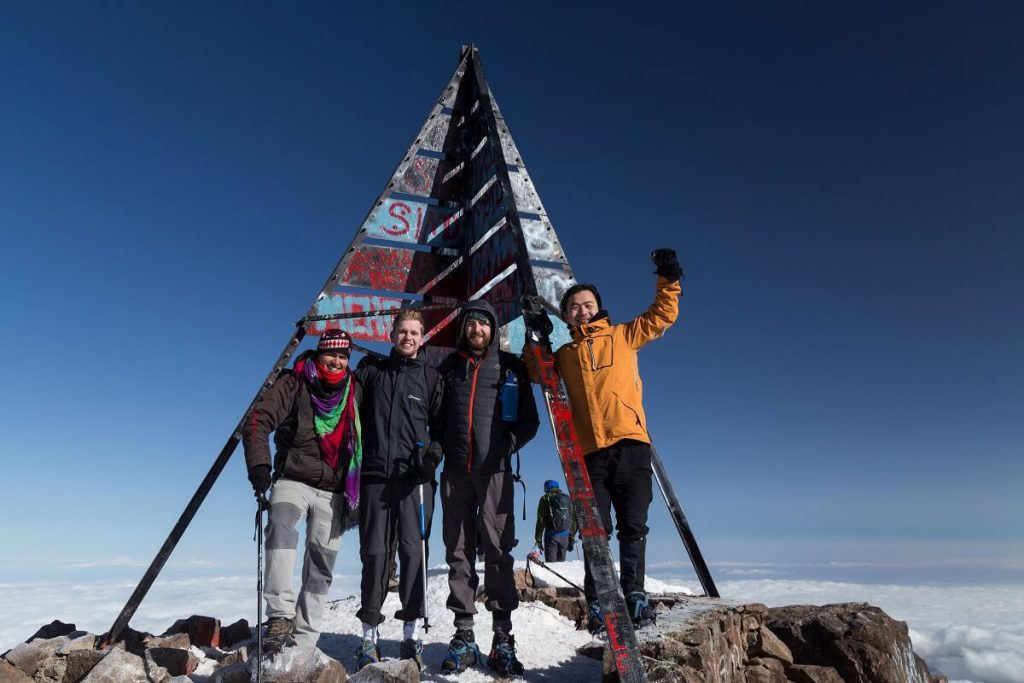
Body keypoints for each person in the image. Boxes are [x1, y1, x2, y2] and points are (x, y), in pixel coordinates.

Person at [523, 248, 683, 632]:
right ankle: (597, 600)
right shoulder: (564, 353)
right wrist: (536, 339)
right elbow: (538, 375)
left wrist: (669, 278)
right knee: (595, 530)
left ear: (598, 307)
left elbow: (662, 316)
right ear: (565, 314)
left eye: (587, 304)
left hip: (631, 444)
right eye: (574, 307)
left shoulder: (623, 335)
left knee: (633, 524)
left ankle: (635, 595)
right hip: (590, 451)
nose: (581, 311)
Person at [436, 300, 539, 676]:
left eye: (483, 324)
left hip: (495, 472)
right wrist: (436, 448)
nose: (476, 329)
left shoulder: (510, 367)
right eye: (471, 324)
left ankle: (502, 638)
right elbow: (434, 417)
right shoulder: (449, 370)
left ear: (492, 330)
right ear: (463, 330)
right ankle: (464, 635)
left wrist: (508, 446)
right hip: (455, 473)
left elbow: (530, 421)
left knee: (498, 551)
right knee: (458, 552)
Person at [243, 329, 362, 649]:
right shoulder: (294, 383)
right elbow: (259, 418)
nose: (337, 361)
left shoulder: (354, 390)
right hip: (293, 478)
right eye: (331, 354)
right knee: (280, 528)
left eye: (343, 356)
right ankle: (280, 617)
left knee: (322, 561)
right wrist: (259, 466)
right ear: (319, 353)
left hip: (335, 488)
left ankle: (306, 637)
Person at [352, 309, 444, 670]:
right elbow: (350, 405)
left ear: (422, 338)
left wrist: (431, 460)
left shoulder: (431, 378)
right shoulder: (374, 372)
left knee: (413, 553)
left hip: (415, 481)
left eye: (414, 332)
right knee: (375, 554)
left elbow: (441, 429)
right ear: (391, 336)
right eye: (402, 331)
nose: (408, 337)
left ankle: (410, 635)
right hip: (376, 476)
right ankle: (368, 636)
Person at [534, 480, 577, 562]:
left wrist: (538, 539)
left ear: (546, 488)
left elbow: (541, 520)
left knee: (552, 566)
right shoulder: (566, 498)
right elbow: (573, 518)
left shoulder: (545, 499)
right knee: (561, 565)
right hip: (565, 536)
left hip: (551, 536)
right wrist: (571, 537)